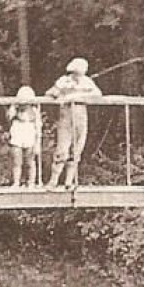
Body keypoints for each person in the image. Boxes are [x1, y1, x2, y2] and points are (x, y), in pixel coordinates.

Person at [46, 57, 102, 189]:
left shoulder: (87, 82)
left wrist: (78, 96)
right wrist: (61, 95)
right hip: (66, 116)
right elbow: (51, 92)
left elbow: (98, 94)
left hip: (81, 116)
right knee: (62, 149)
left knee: (77, 149)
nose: (79, 75)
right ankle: (53, 181)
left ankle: (69, 182)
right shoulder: (64, 81)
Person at [6, 85, 42, 187]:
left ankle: (31, 182)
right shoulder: (15, 111)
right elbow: (9, 117)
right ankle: (16, 182)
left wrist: (37, 142)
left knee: (30, 162)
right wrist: (14, 106)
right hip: (17, 137)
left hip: (29, 137)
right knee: (17, 162)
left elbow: (38, 127)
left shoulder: (34, 111)